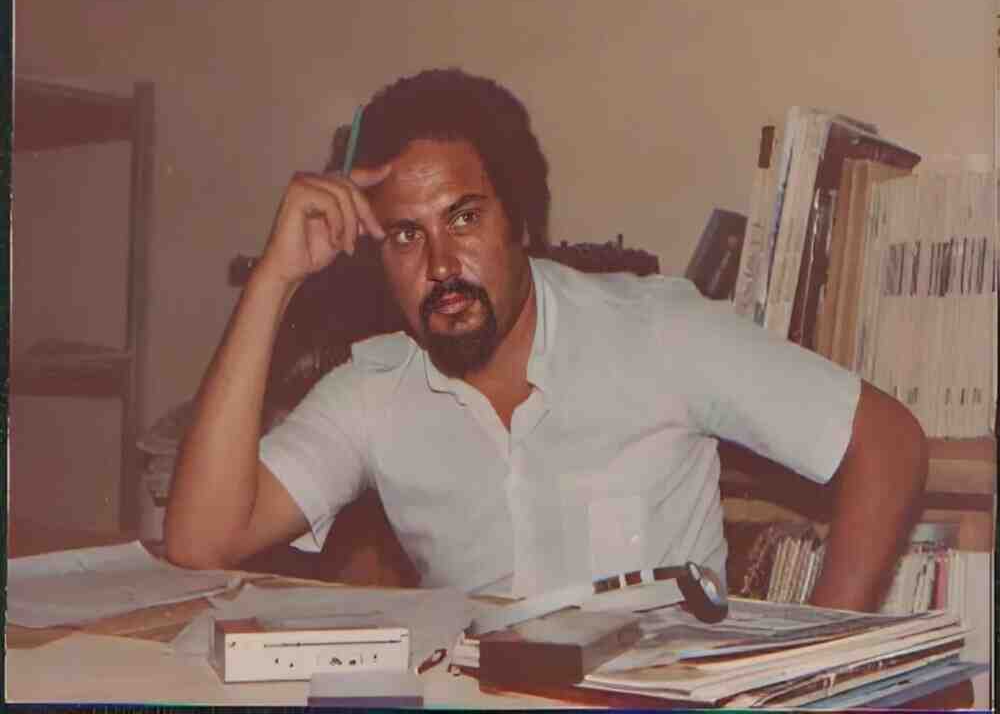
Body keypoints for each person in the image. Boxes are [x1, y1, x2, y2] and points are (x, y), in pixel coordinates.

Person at [165, 68, 928, 612]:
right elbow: (203, 541)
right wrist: (274, 280)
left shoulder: (658, 332)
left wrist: (821, 670)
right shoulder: (374, 391)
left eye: (465, 218)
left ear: (521, 220)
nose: (441, 265)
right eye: (405, 235)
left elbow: (886, 442)